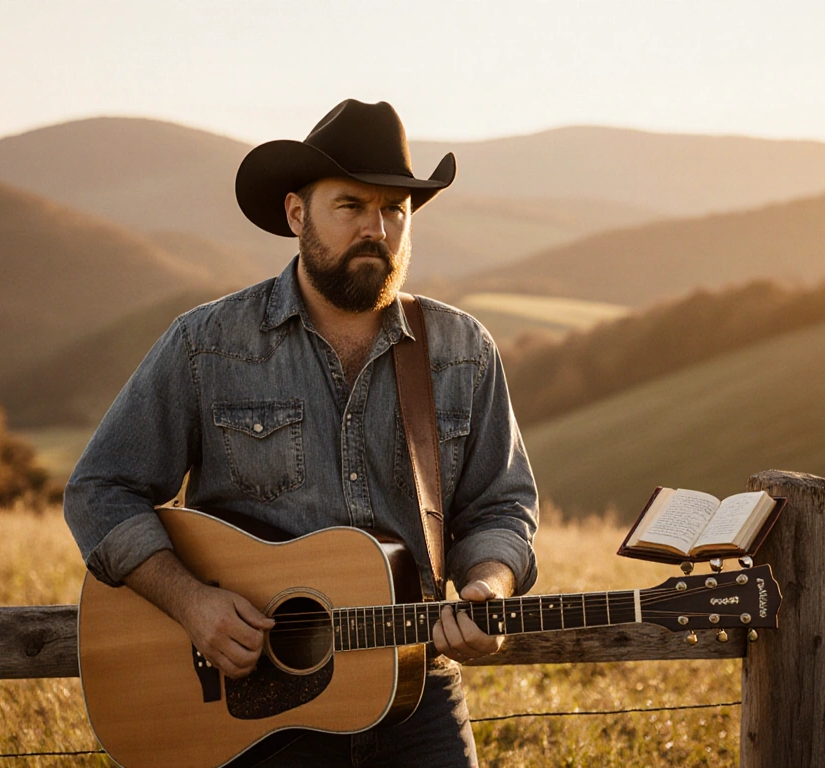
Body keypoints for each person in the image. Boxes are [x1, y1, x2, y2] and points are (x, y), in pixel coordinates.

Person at [64, 99, 539, 767]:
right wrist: (192, 603)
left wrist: (490, 586)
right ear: (296, 214)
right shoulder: (208, 345)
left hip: (416, 693)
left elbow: (500, 505)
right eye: (351, 205)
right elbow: (100, 489)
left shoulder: (462, 352)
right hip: (252, 703)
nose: (377, 228)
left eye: (395, 209)